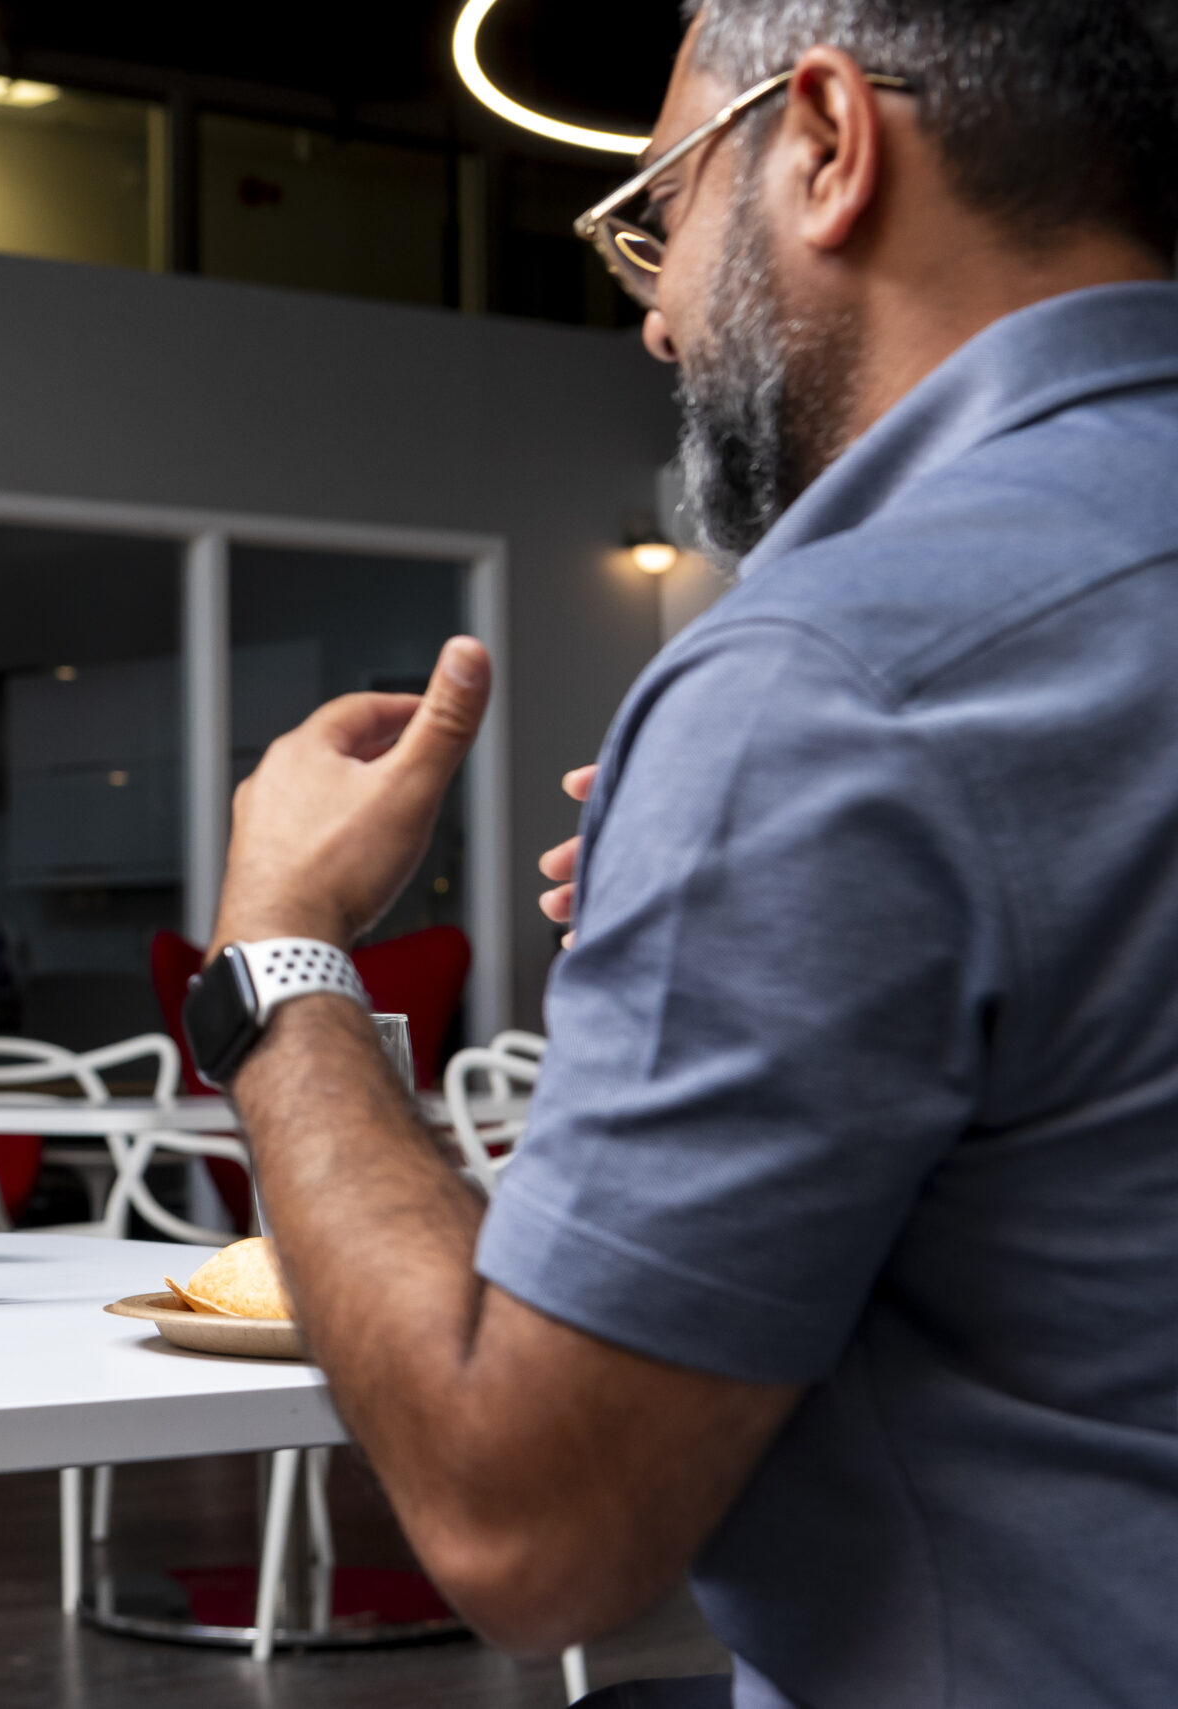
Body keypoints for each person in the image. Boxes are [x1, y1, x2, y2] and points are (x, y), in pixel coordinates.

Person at [198, 4, 1178, 1707]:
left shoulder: (827, 674)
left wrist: (283, 947)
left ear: (825, 142)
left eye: (660, 210)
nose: (653, 315)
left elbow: (529, 1528)